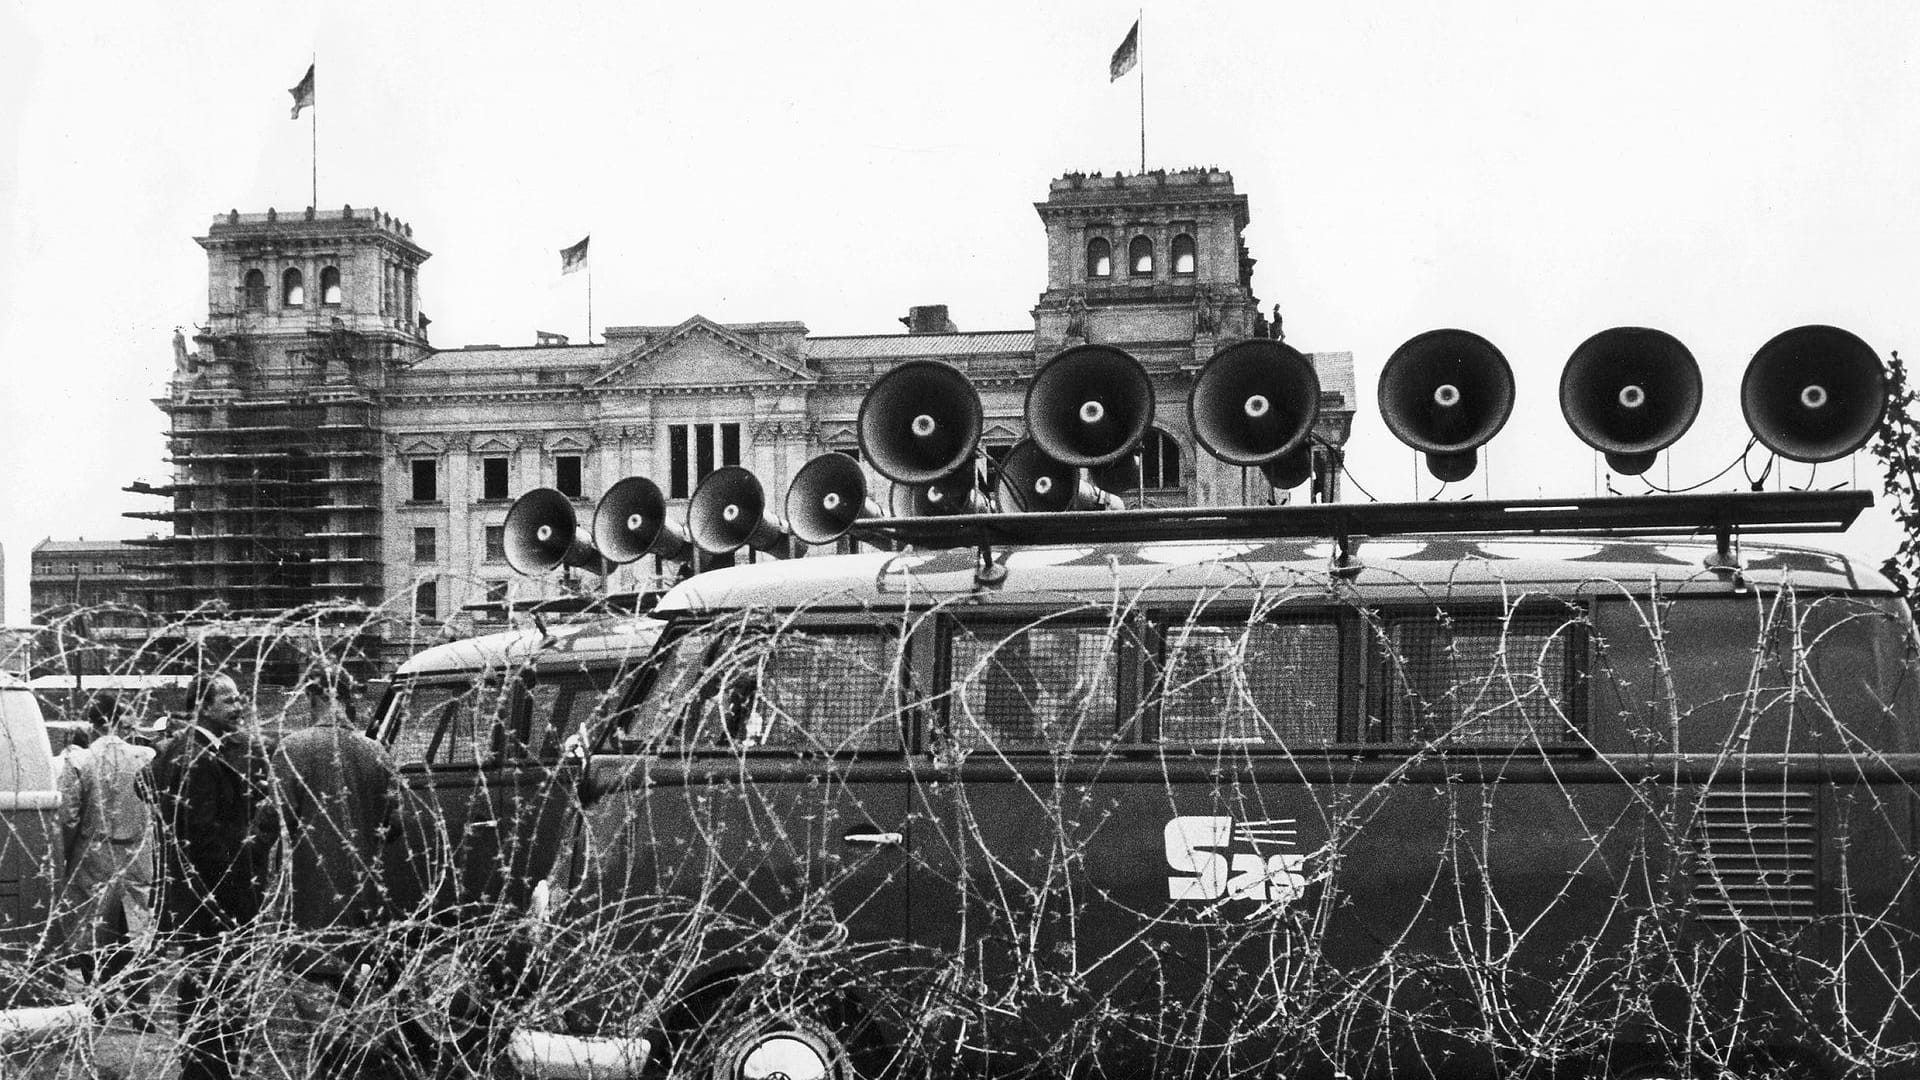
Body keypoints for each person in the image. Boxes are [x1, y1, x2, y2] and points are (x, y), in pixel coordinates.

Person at [144, 671, 271, 1080]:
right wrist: (237, 890)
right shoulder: (197, 756)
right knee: (215, 983)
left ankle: (208, 1065)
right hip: (213, 896)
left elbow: (142, 783)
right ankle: (210, 1068)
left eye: (239, 698)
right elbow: (203, 836)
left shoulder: (181, 750)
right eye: (229, 701)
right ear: (203, 706)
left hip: (194, 893)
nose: (240, 707)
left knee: (206, 982)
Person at [58, 693, 157, 1021]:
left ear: (93, 723)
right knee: (134, 929)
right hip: (136, 855)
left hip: (93, 855)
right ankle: (140, 1005)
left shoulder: (80, 761)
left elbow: (69, 816)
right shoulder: (146, 756)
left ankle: (98, 1000)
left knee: (92, 930)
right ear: (122, 720)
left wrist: (67, 853)